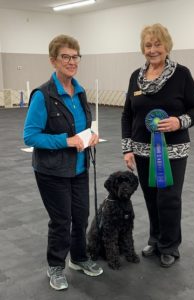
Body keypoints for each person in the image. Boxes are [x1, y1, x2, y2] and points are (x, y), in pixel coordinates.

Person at [121, 24, 194, 268]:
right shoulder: (135, 76)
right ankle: (155, 239)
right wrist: (127, 148)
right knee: (150, 198)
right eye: (148, 45)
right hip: (141, 149)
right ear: (142, 49)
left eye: (157, 44)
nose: (153, 49)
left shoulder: (182, 74)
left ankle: (170, 245)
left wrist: (180, 121)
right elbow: (127, 114)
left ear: (167, 46)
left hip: (173, 150)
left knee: (169, 198)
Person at [23, 34, 103, 291]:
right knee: (61, 220)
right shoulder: (42, 96)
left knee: (81, 216)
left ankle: (79, 259)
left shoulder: (79, 92)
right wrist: (65, 141)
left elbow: (82, 127)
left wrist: (91, 135)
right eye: (65, 57)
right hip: (51, 171)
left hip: (79, 167)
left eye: (75, 56)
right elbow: (31, 135)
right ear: (53, 61)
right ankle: (56, 266)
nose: (71, 61)